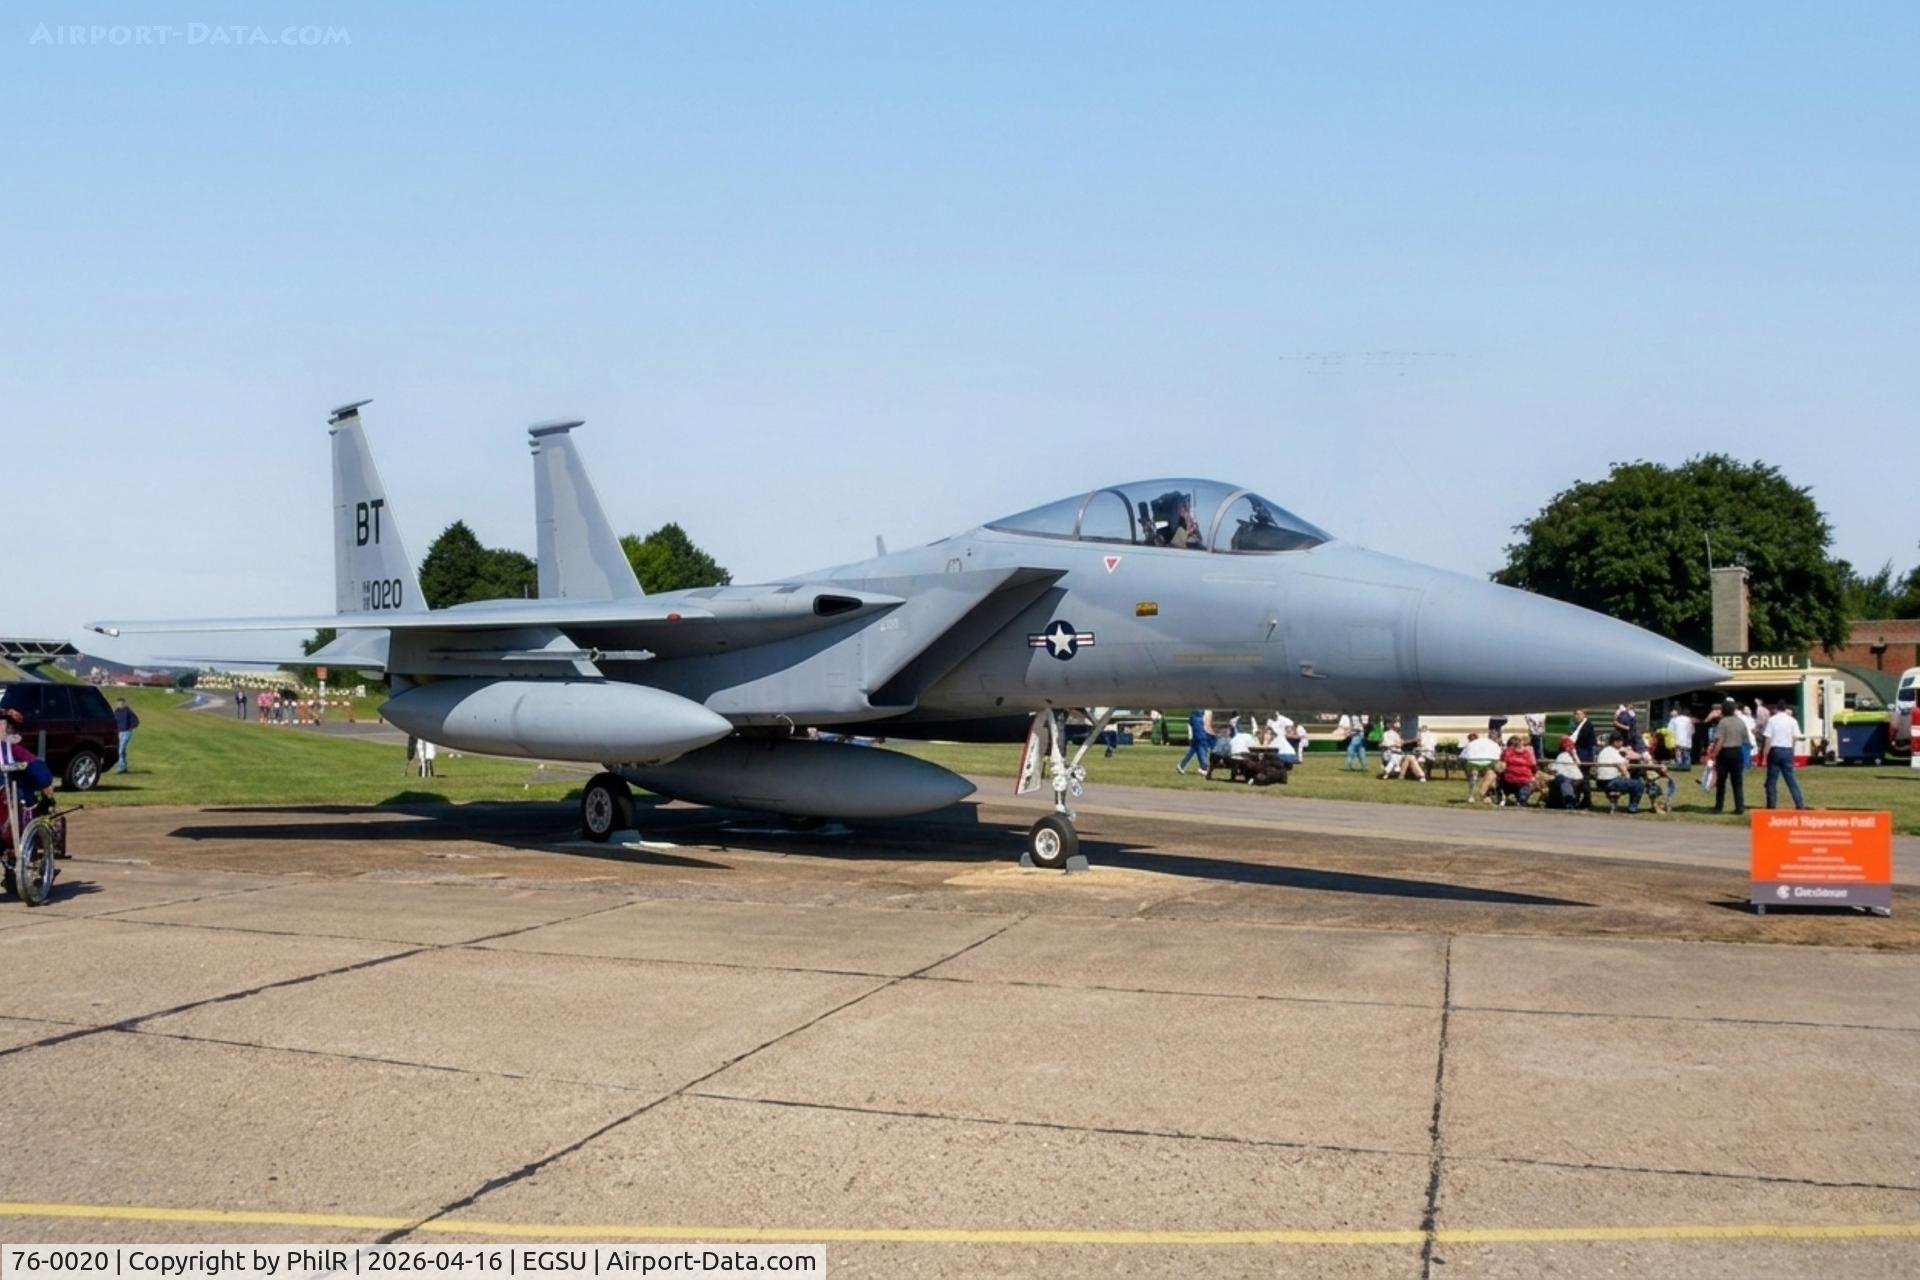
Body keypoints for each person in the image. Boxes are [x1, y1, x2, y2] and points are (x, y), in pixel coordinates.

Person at [1761, 704, 1807, 810]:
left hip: (1775, 750)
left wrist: (1764, 755)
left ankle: (1771, 804)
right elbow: (1795, 737)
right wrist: (1791, 749)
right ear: (1785, 709)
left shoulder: (1772, 720)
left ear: (1776, 709)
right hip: (1787, 750)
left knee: (1771, 780)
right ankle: (1799, 803)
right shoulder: (1792, 720)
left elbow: (1768, 739)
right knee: (1791, 779)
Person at [1712, 697, 1750, 814]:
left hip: (1724, 753)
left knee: (1721, 781)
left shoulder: (1723, 722)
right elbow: (1746, 740)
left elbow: (1720, 740)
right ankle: (1739, 807)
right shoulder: (1740, 721)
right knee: (1737, 782)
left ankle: (1719, 806)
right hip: (1737, 752)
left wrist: (1714, 754)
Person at [1593, 733, 1644, 814]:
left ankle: (1630, 806)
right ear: (1615, 742)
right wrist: (1627, 757)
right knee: (1639, 784)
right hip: (1611, 782)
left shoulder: (1604, 751)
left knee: (1631, 782)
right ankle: (1632, 808)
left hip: (1600, 782)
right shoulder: (1615, 752)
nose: (1622, 743)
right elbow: (1624, 766)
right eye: (1620, 741)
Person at [1546, 735, 1587, 810]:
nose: (1572, 748)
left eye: (1572, 747)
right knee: (1565, 782)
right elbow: (1556, 769)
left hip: (1576, 778)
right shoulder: (1562, 756)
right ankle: (1569, 802)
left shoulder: (1571, 756)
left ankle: (1577, 802)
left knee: (1571, 782)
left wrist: (1574, 754)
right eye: (1570, 747)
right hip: (1567, 779)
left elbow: (1579, 764)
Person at [1459, 730, 1502, 801]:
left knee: (1475, 779)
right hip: (1485, 762)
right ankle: (1480, 794)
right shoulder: (1492, 744)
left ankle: (1478, 794)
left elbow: (1462, 757)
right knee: (1486, 777)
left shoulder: (1471, 745)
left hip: (1475, 762)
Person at [1497, 735, 1537, 806]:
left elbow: (1501, 762)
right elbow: (1533, 766)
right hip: (1524, 779)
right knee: (1529, 783)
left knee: (1501, 777)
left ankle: (1503, 795)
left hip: (1509, 778)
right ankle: (1522, 799)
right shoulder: (1527, 753)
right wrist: (1533, 774)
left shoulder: (1507, 752)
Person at [1177, 707, 1212, 774]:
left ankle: (1181, 765)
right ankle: (1203, 767)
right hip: (1199, 737)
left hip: (1196, 737)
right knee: (1202, 751)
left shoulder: (1194, 717)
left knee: (1192, 752)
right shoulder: (1199, 717)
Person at [113, 697, 139, 774]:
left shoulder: (128, 711)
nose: (119, 705)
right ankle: (124, 768)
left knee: (120, 750)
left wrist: (131, 728)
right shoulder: (116, 712)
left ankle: (120, 768)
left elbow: (136, 721)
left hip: (127, 733)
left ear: (124, 703)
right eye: (118, 704)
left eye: (121, 704)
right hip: (119, 733)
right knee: (122, 751)